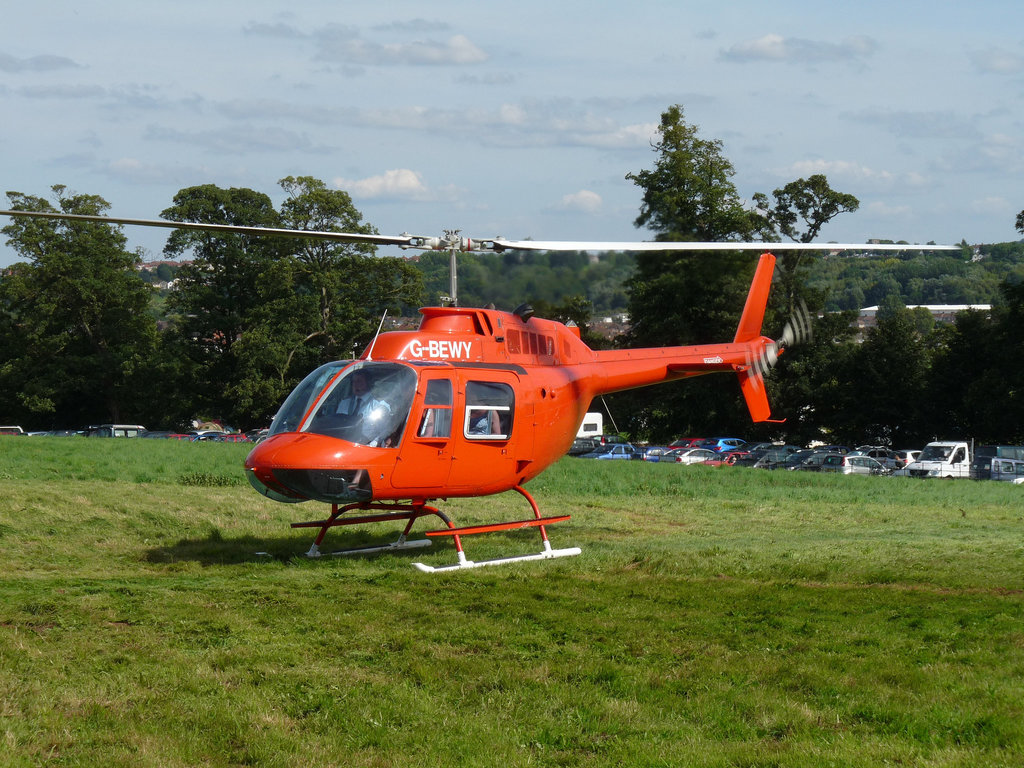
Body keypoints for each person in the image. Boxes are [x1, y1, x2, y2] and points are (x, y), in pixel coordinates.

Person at [334, 370, 392, 446]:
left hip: (366, 446)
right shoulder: (344, 403)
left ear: (368, 383)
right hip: (342, 444)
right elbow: (336, 425)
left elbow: (383, 432)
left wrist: (373, 444)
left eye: (359, 381)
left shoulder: (379, 406)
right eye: (354, 382)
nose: (355, 385)